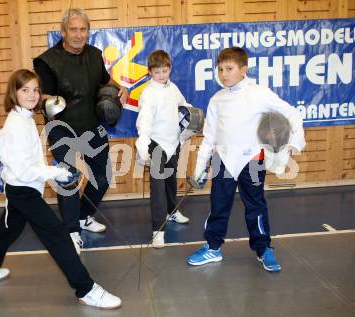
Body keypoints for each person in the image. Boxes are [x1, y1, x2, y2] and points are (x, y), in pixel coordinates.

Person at [0, 69, 122, 309]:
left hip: (21, 187)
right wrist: (57, 172)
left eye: (35, 89)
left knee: (7, 230)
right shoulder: (17, 124)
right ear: (14, 92)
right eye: (25, 90)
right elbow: (23, 169)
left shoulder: (23, 116)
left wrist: (4, 160)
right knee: (58, 237)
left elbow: (6, 144)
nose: (32, 95)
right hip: (23, 190)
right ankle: (86, 289)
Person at [187, 47, 305, 272]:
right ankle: (213, 247)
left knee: (255, 206)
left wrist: (294, 143)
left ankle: (263, 248)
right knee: (218, 206)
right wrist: (200, 167)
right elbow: (210, 136)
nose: (224, 74)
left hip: (251, 160)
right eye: (220, 69)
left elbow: (291, 113)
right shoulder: (217, 100)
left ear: (243, 69)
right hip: (222, 161)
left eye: (229, 69)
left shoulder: (258, 93)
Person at [33, 8, 128, 253]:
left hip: (91, 125)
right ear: (64, 32)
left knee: (102, 177)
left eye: (82, 29)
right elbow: (40, 96)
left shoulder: (94, 55)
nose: (78, 34)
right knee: (68, 179)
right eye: (73, 29)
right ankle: (71, 231)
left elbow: (105, 81)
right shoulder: (47, 61)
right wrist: (47, 101)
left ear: (88, 31)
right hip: (62, 127)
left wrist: (120, 89)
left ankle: (84, 216)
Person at [135, 50, 191, 248]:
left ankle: (171, 211)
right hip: (156, 144)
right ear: (150, 72)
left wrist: (193, 115)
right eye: (157, 72)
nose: (161, 75)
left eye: (165, 71)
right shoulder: (148, 94)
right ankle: (158, 230)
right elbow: (144, 122)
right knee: (157, 188)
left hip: (173, 142)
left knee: (170, 182)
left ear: (169, 69)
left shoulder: (173, 88)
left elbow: (183, 106)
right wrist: (143, 146)